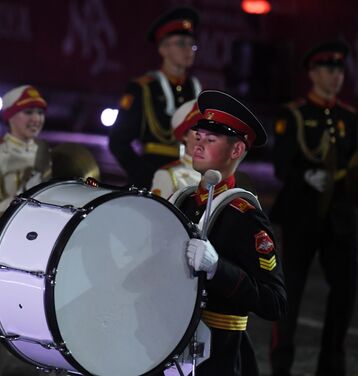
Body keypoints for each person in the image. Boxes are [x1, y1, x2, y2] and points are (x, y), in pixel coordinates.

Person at [172, 90, 286, 375]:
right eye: (198, 137)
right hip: (172, 340)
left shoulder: (244, 216)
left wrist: (218, 269)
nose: (198, 145)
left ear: (236, 151)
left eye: (210, 140)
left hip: (219, 355)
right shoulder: (183, 201)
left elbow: (275, 302)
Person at [269, 40, 357, 376]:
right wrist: (307, 174)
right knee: (289, 291)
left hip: (341, 217)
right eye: (328, 70)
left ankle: (332, 365)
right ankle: (281, 364)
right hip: (301, 214)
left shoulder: (349, 117)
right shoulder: (294, 114)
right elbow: (280, 164)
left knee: (345, 293)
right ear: (313, 72)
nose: (336, 77)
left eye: (339, 71)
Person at [0, 85, 51, 375]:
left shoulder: (47, 154)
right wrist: (20, 199)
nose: (36, 119)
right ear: (10, 116)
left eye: (40, 112)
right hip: (1, 255)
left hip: (38, 258)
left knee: (40, 339)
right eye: (28, 112)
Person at [109, 6, 202, 188]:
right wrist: (142, 173)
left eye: (192, 44)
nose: (189, 50)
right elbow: (118, 141)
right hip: (152, 175)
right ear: (163, 49)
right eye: (181, 43)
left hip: (188, 176)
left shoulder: (195, 87)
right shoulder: (144, 88)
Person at [151, 99, 202, 198]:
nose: (204, 135)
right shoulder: (168, 175)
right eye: (197, 129)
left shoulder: (222, 173)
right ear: (184, 136)